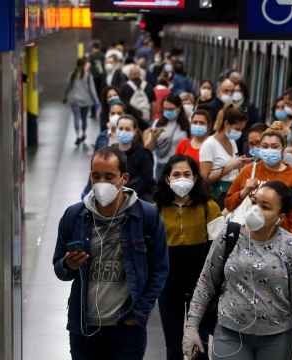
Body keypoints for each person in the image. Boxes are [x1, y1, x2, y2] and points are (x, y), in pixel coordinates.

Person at [52, 147, 168, 360]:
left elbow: (160, 269)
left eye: (109, 176)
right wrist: (69, 265)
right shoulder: (74, 216)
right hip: (84, 327)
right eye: (96, 176)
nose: (102, 182)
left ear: (124, 178)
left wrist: (140, 312)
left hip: (126, 328)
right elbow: (59, 268)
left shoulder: (146, 217)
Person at [182, 181, 292, 360]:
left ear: (280, 217)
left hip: (277, 339)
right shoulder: (229, 235)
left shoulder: (291, 246)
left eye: (265, 207)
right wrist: (191, 327)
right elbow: (206, 282)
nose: (255, 210)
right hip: (229, 334)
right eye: (254, 202)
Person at [154, 155, 222, 360]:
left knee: (199, 344)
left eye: (186, 174)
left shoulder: (209, 207)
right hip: (168, 284)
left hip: (200, 284)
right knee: (173, 345)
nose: (181, 178)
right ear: (167, 178)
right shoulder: (156, 209)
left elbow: (219, 249)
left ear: (194, 178)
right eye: (176, 174)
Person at [225, 126, 292, 241]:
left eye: (274, 147)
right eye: (265, 146)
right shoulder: (248, 171)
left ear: (283, 149)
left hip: (279, 241)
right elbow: (229, 204)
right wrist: (245, 191)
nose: (269, 150)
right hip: (246, 237)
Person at [199, 105, 251, 206]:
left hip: (233, 192)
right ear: (226, 123)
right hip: (217, 196)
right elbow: (206, 178)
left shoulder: (232, 141)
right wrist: (230, 166)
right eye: (237, 128)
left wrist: (242, 164)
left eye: (241, 130)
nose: (239, 132)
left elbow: (235, 167)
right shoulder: (209, 144)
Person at [143, 94, 190, 179]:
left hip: (179, 167)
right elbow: (149, 148)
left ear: (179, 108)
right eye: (165, 109)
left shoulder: (185, 126)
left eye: (171, 109)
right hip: (160, 166)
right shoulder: (157, 123)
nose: (167, 111)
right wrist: (154, 137)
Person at [64, 57, 99, 145]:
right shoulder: (88, 76)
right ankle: (83, 133)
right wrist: (96, 101)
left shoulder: (71, 74)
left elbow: (68, 87)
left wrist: (65, 97)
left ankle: (77, 136)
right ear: (84, 65)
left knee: (76, 117)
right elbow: (92, 89)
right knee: (84, 118)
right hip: (86, 100)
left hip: (74, 100)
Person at [120, 64, 155, 130]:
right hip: (146, 118)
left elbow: (122, 104)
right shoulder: (148, 86)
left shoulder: (124, 87)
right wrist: (152, 118)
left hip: (131, 120)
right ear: (140, 74)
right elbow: (153, 103)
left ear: (129, 75)